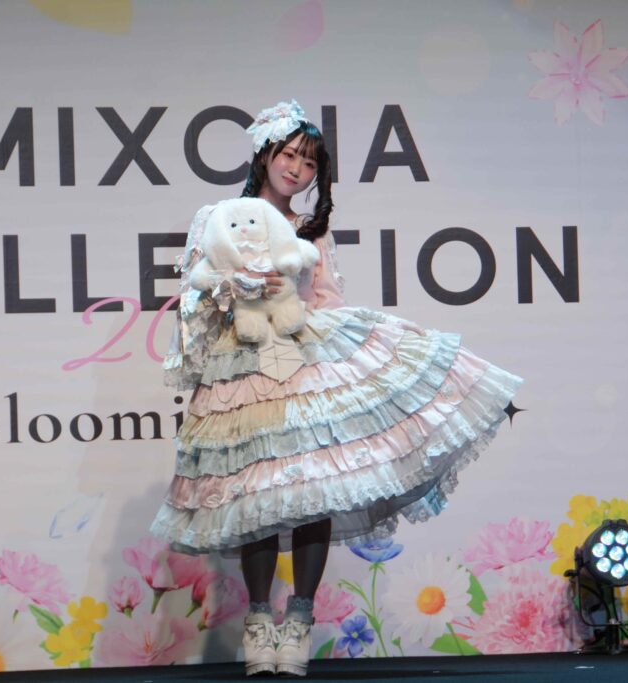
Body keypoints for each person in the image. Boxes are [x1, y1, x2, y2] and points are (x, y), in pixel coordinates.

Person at [152, 100, 523, 676]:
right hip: (242, 368)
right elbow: (195, 296)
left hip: (301, 361)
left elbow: (323, 300)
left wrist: (321, 337)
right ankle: (257, 626)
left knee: (314, 492)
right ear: (266, 154)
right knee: (254, 494)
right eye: (288, 154)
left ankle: (298, 622)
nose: (296, 168)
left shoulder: (311, 231)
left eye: (307, 161)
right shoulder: (220, 215)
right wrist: (236, 284)